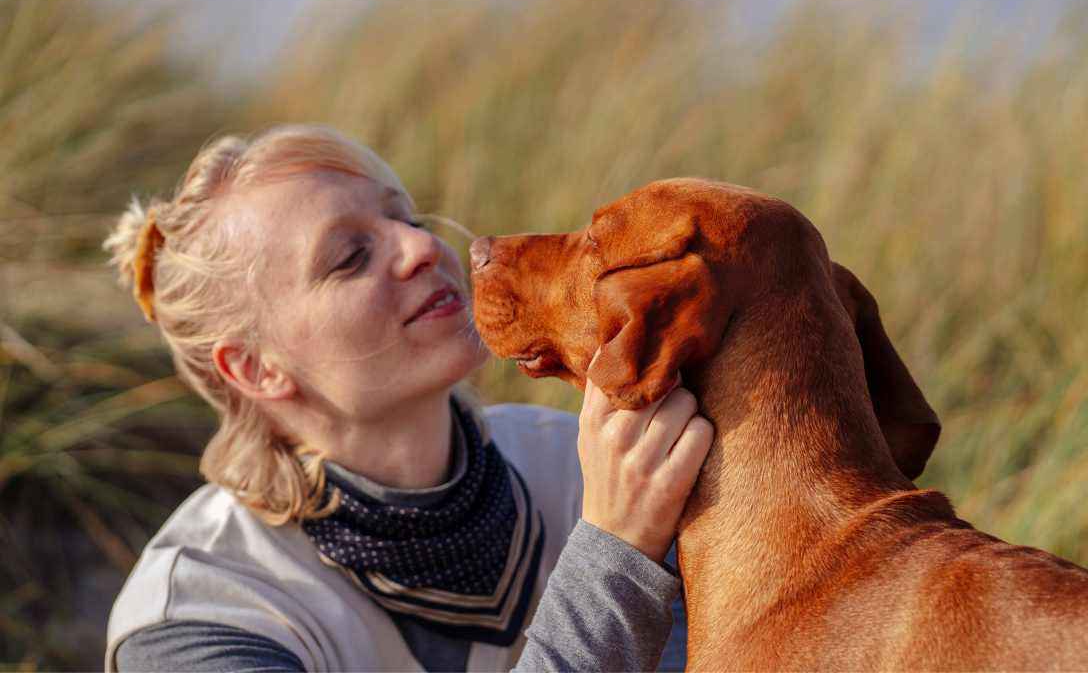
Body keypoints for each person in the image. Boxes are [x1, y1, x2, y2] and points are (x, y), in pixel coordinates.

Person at [102, 124, 712, 671]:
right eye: (349, 258)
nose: (422, 249)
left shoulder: (584, 466)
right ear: (256, 369)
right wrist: (616, 555)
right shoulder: (198, 615)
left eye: (409, 220)